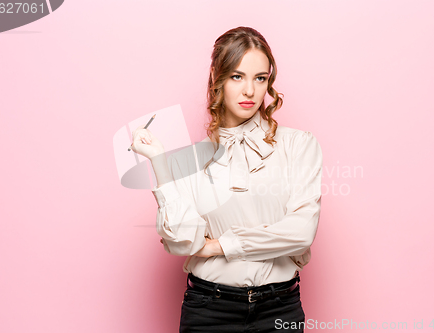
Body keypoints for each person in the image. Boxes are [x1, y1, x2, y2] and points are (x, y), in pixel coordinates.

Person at [131, 26, 323, 333]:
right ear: (217, 79)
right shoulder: (188, 161)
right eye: (237, 76)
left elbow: (301, 232)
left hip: (279, 309)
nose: (250, 91)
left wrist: (219, 246)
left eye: (260, 78)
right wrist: (159, 164)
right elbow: (182, 241)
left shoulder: (299, 145)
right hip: (209, 310)